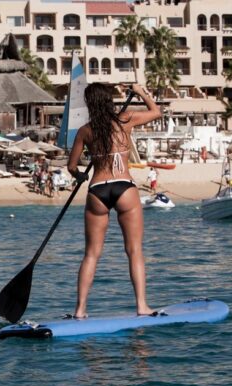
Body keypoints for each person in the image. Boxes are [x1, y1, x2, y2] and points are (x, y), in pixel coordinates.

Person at [67, 82, 161, 318]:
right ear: (109, 102)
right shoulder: (125, 119)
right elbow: (156, 112)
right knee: (134, 250)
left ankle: (80, 310)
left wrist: (79, 175)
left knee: (91, 254)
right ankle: (141, 306)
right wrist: (140, 93)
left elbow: (71, 166)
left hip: (97, 189)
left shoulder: (85, 131)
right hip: (124, 188)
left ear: (90, 104)